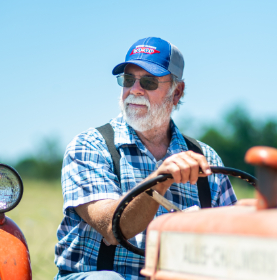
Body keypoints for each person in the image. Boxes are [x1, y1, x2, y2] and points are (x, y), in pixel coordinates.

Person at [54, 37, 237, 280]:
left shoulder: (205, 157)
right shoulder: (90, 146)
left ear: (176, 92)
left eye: (149, 82)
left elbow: (235, 240)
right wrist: (159, 180)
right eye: (128, 80)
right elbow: (112, 228)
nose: (135, 90)